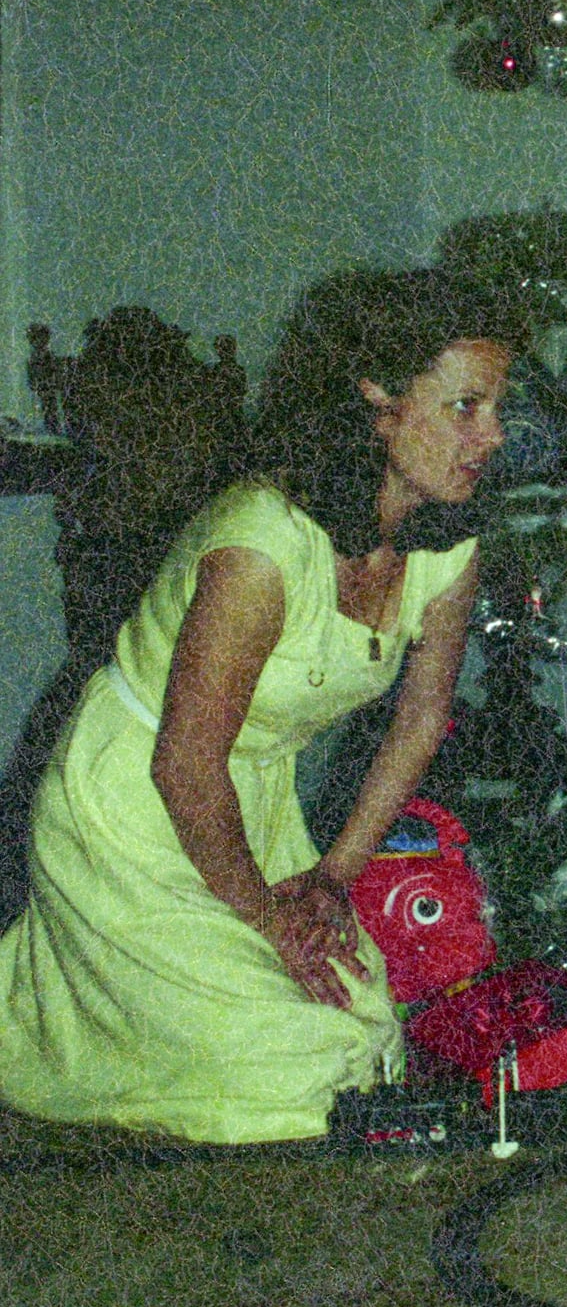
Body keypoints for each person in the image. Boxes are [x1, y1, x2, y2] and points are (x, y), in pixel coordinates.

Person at [0, 268, 524, 1145]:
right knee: (293, 1074)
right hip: (128, 812)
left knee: (366, 1042)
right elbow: (183, 765)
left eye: (497, 408)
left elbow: (420, 720)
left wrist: (332, 878)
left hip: (251, 812)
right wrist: (269, 920)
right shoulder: (261, 545)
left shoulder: (446, 542)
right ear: (378, 402)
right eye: (466, 407)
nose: (493, 435)